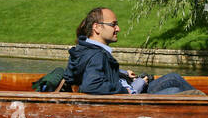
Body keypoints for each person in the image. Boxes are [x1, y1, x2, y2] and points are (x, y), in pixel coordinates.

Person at [64, 7, 199, 95]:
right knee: (175, 91)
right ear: (97, 28)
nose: (118, 29)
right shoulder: (95, 54)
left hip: (129, 89)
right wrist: (128, 90)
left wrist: (121, 74)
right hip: (128, 100)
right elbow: (91, 85)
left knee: (173, 78)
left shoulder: (85, 48)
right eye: (113, 24)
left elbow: (94, 74)